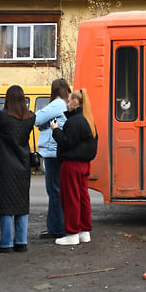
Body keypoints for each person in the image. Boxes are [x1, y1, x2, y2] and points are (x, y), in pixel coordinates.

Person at [0, 85, 36, 253]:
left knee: (4, 205)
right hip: (23, 165)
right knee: (21, 203)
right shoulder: (30, 117)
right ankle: (21, 242)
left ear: (8, 99)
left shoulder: (2, 116)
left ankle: (6, 243)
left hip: (4, 165)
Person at [51, 88, 98, 246]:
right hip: (85, 164)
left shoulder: (73, 121)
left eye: (69, 100)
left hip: (71, 165)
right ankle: (85, 231)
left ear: (76, 102)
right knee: (83, 197)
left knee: (71, 199)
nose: (67, 103)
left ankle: (72, 233)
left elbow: (66, 142)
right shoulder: (88, 119)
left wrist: (55, 130)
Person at [34, 78, 71, 240]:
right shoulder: (66, 104)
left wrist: (45, 124)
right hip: (60, 151)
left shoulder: (57, 104)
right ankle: (58, 226)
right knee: (59, 191)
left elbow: (36, 119)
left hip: (52, 152)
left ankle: (56, 228)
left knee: (54, 191)